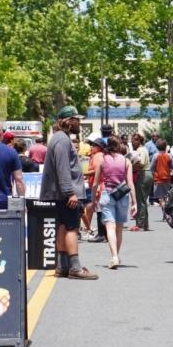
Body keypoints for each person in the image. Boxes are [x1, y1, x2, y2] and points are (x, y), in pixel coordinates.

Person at [40, 106, 97, 280]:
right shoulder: (62, 140)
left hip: (60, 193)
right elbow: (62, 168)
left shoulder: (59, 139)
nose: (79, 123)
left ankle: (62, 266)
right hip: (65, 194)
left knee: (63, 227)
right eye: (76, 119)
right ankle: (75, 268)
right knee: (72, 228)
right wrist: (69, 192)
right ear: (69, 121)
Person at [92, 135, 137, 269]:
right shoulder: (126, 161)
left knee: (109, 227)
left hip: (107, 194)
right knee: (119, 228)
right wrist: (134, 202)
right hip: (122, 195)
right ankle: (116, 255)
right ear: (119, 146)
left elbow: (95, 183)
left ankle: (114, 257)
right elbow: (130, 183)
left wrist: (93, 199)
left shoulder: (102, 160)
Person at [83, 138, 107, 241]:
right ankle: (103, 234)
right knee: (100, 210)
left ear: (99, 147)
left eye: (94, 145)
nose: (92, 147)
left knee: (99, 211)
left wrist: (82, 174)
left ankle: (101, 234)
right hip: (99, 185)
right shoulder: (99, 156)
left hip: (99, 186)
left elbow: (96, 171)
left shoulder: (98, 156)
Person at [130, 133, 151, 231]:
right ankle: (145, 224)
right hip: (146, 174)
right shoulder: (143, 149)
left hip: (143, 174)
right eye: (132, 140)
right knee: (142, 200)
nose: (132, 142)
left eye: (135, 140)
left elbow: (141, 164)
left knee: (141, 201)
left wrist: (130, 168)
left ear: (139, 141)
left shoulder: (140, 150)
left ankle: (140, 224)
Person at [152, 139, 172, 217]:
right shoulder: (169, 156)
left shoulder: (155, 156)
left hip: (158, 179)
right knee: (166, 196)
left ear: (157, 147)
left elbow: (152, 167)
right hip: (167, 178)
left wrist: (155, 173)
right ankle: (166, 211)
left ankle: (164, 211)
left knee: (160, 198)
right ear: (165, 146)